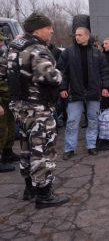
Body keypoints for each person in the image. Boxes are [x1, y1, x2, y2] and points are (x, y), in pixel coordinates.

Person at [7, 12, 70, 208]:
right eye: (48, 27)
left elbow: (3, 73)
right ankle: (44, 195)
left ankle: (30, 189)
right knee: (43, 151)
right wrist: (59, 73)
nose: (51, 30)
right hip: (38, 110)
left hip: (20, 108)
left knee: (26, 148)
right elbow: (51, 77)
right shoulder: (36, 50)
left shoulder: (13, 47)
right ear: (37, 29)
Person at [58, 27, 109, 160]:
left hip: (94, 92)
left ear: (87, 36)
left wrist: (106, 87)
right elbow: (62, 72)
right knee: (72, 121)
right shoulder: (68, 52)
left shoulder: (97, 53)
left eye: (80, 35)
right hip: (75, 93)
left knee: (93, 121)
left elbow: (104, 72)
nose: (77, 37)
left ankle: (91, 146)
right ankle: (69, 148)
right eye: (76, 35)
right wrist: (63, 88)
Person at [0, 32, 19, 173]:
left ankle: (7, 153)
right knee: (1, 130)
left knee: (10, 127)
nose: (1, 43)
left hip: (7, 98)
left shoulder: (3, 54)